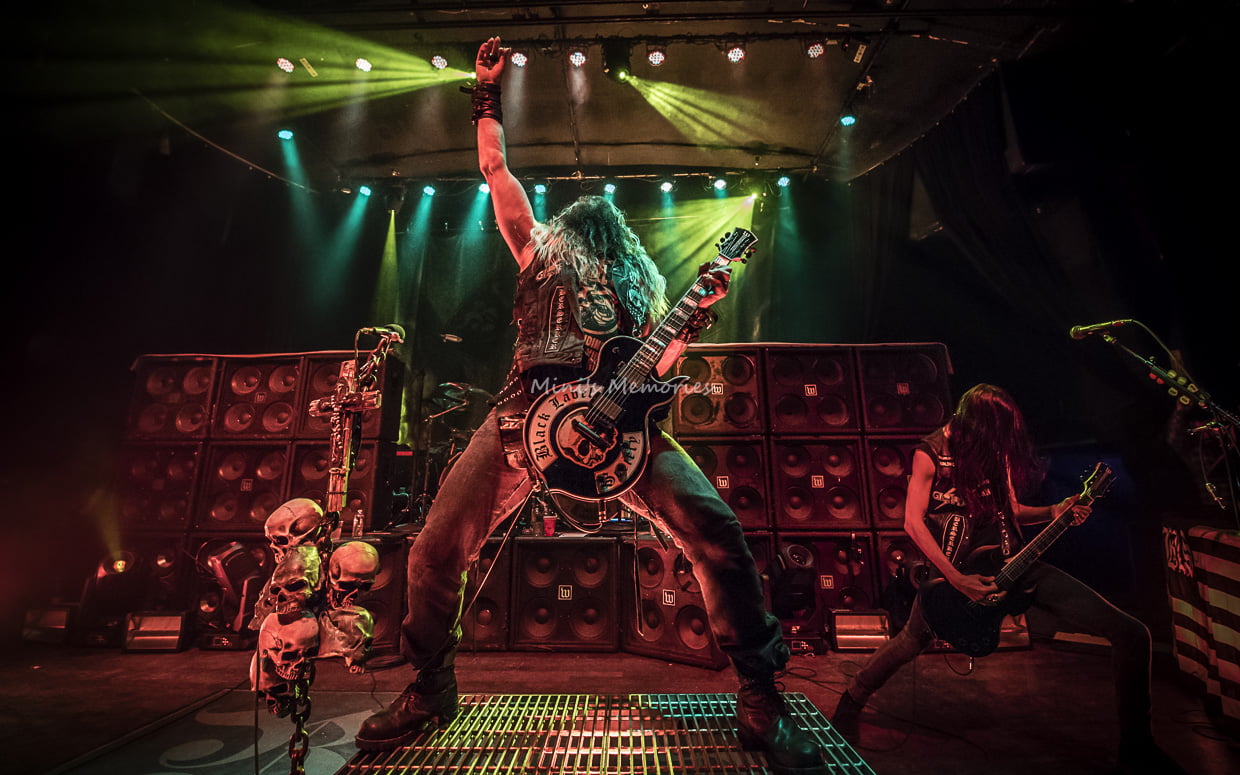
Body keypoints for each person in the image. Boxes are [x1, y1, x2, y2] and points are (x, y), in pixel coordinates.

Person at [356, 36, 829, 774]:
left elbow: (656, 370)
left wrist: (693, 317)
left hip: (620, 431)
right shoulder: (540, 249)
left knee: (715, 528)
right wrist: (486, 92)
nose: (597, 224)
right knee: (435, 548)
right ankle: (430, 685)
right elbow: (495, 168)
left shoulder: (640, 290)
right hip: (522, 418)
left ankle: (760, 696)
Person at [830, 383, 1184, 774]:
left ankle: (1137, 747)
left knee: (1132, 633)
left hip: (1014, 566)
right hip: (957, 574)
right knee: (910, 641)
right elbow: (912, 523)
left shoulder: (993, 452)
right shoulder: (930, 454)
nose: (1000, 446)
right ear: (973, 426)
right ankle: (852, 699)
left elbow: (1011, 510)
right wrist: (957, 580)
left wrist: (1054, 510)